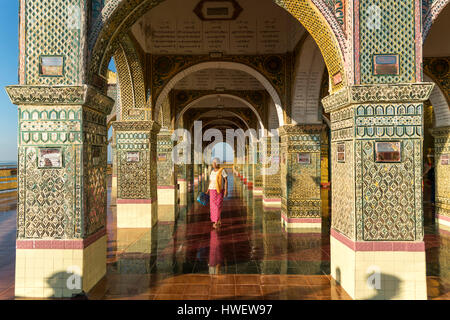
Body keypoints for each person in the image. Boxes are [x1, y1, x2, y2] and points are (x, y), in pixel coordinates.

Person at [206, 158, 228, 229]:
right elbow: (210, 181)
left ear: (217, 163)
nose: (213, 164)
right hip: (212, 190)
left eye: (215, 163)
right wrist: (208, 190)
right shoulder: (212, 172)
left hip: (219, 190)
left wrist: (226, 190)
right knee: (213, 206)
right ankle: (217, 220)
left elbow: (226, 180)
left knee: (218, 206)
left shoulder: (222, 171)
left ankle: (216, 221)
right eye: (213, 163)